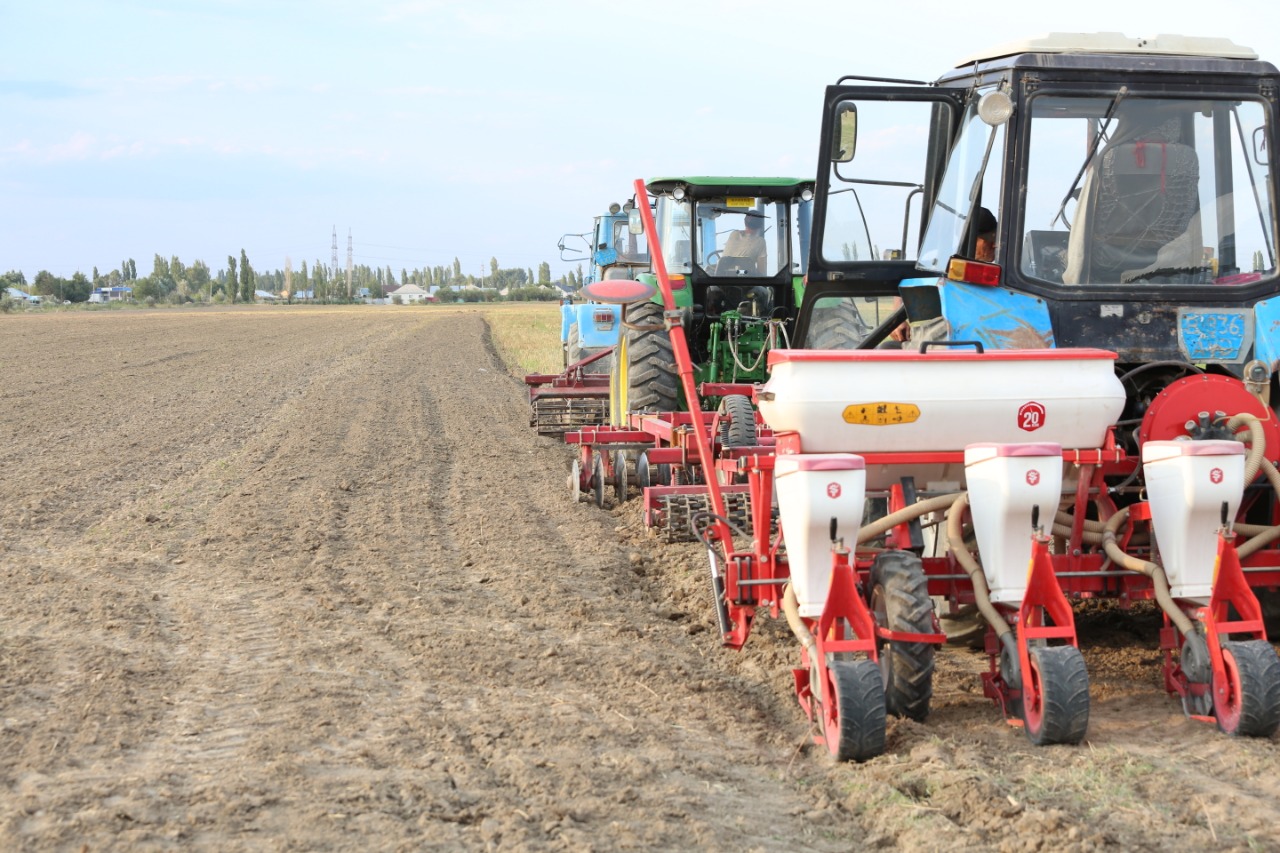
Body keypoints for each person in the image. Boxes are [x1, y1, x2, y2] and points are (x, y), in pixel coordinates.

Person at [889, 206, 997, 343]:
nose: (995, 245)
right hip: (939, 336)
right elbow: (905, 278)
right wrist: (898, 319)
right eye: (989, 239)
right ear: (968, 240)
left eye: (996, 238)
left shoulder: (1000, 267)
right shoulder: (936, 260)